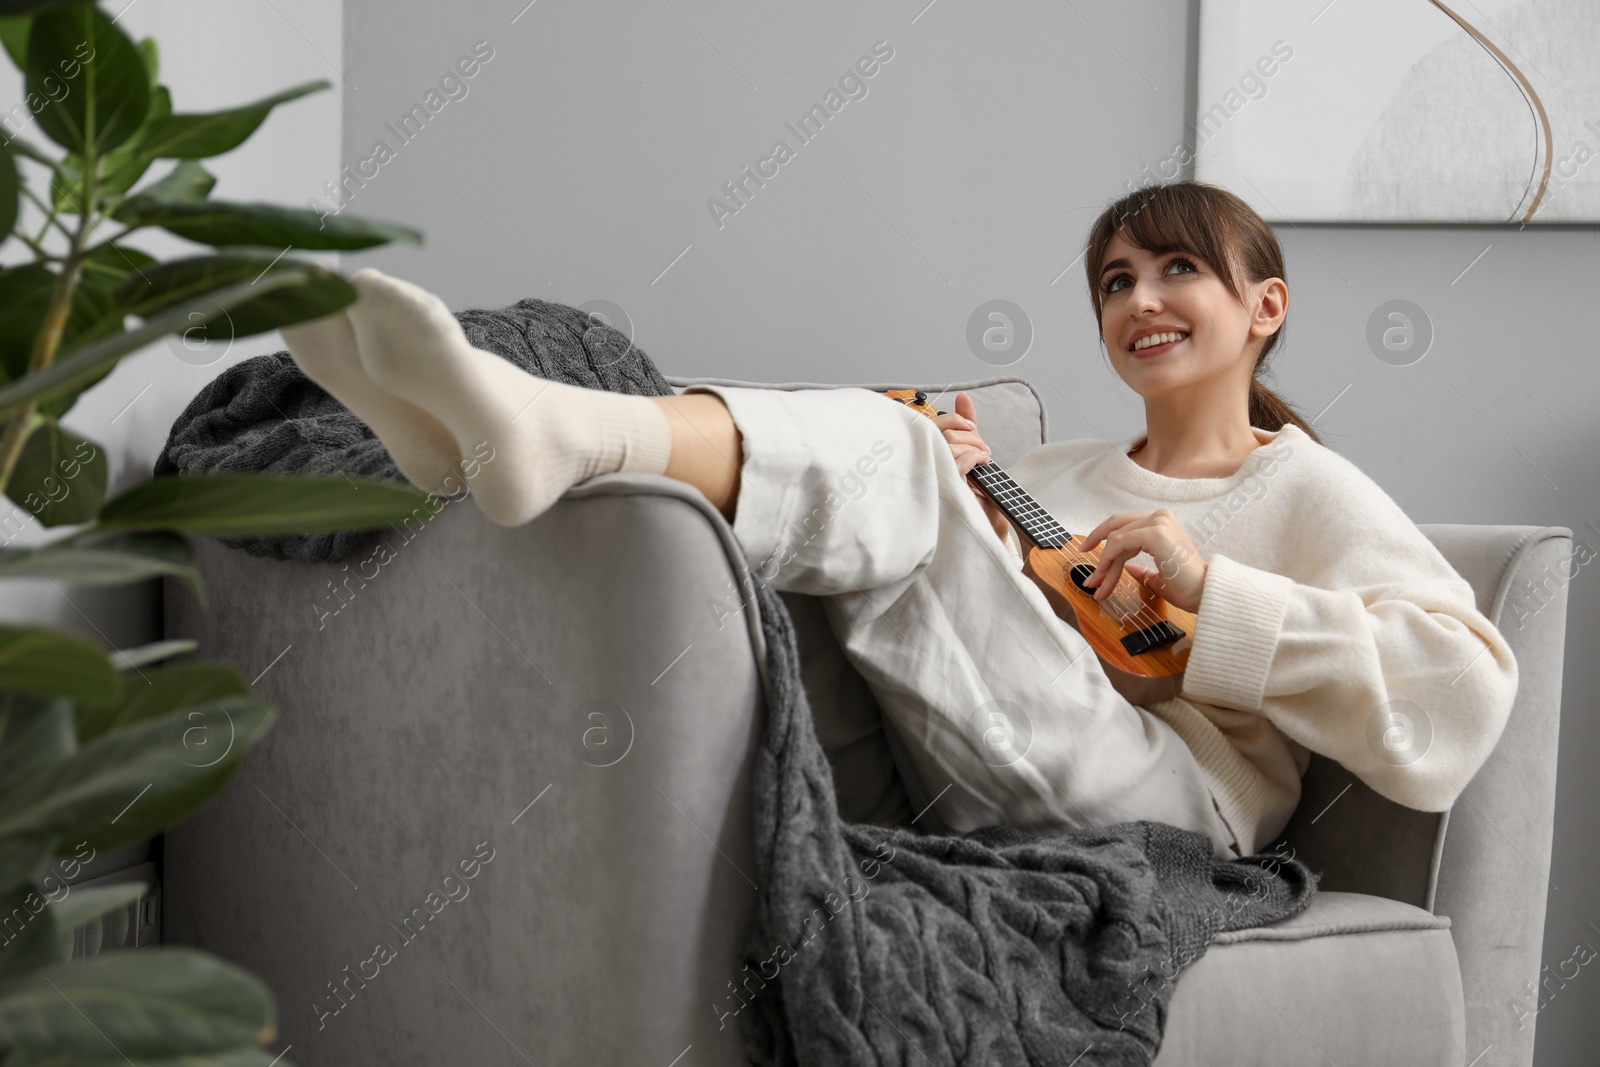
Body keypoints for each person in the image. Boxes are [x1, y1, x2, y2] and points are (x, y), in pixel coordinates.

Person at [281, 179, 1518, 860]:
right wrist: (972, 488)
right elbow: (1006, 616)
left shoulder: (1305, 485)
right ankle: (524, 444)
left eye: (1176, 268)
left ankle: (569, 430)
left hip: (1170, 805)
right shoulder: (1067, 470)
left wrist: (1220, 602)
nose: (1139, 297)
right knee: (897, 448)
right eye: (1113, 280)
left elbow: (1460, 692)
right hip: (971, 755)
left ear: (1263, 305)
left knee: (894, 448)